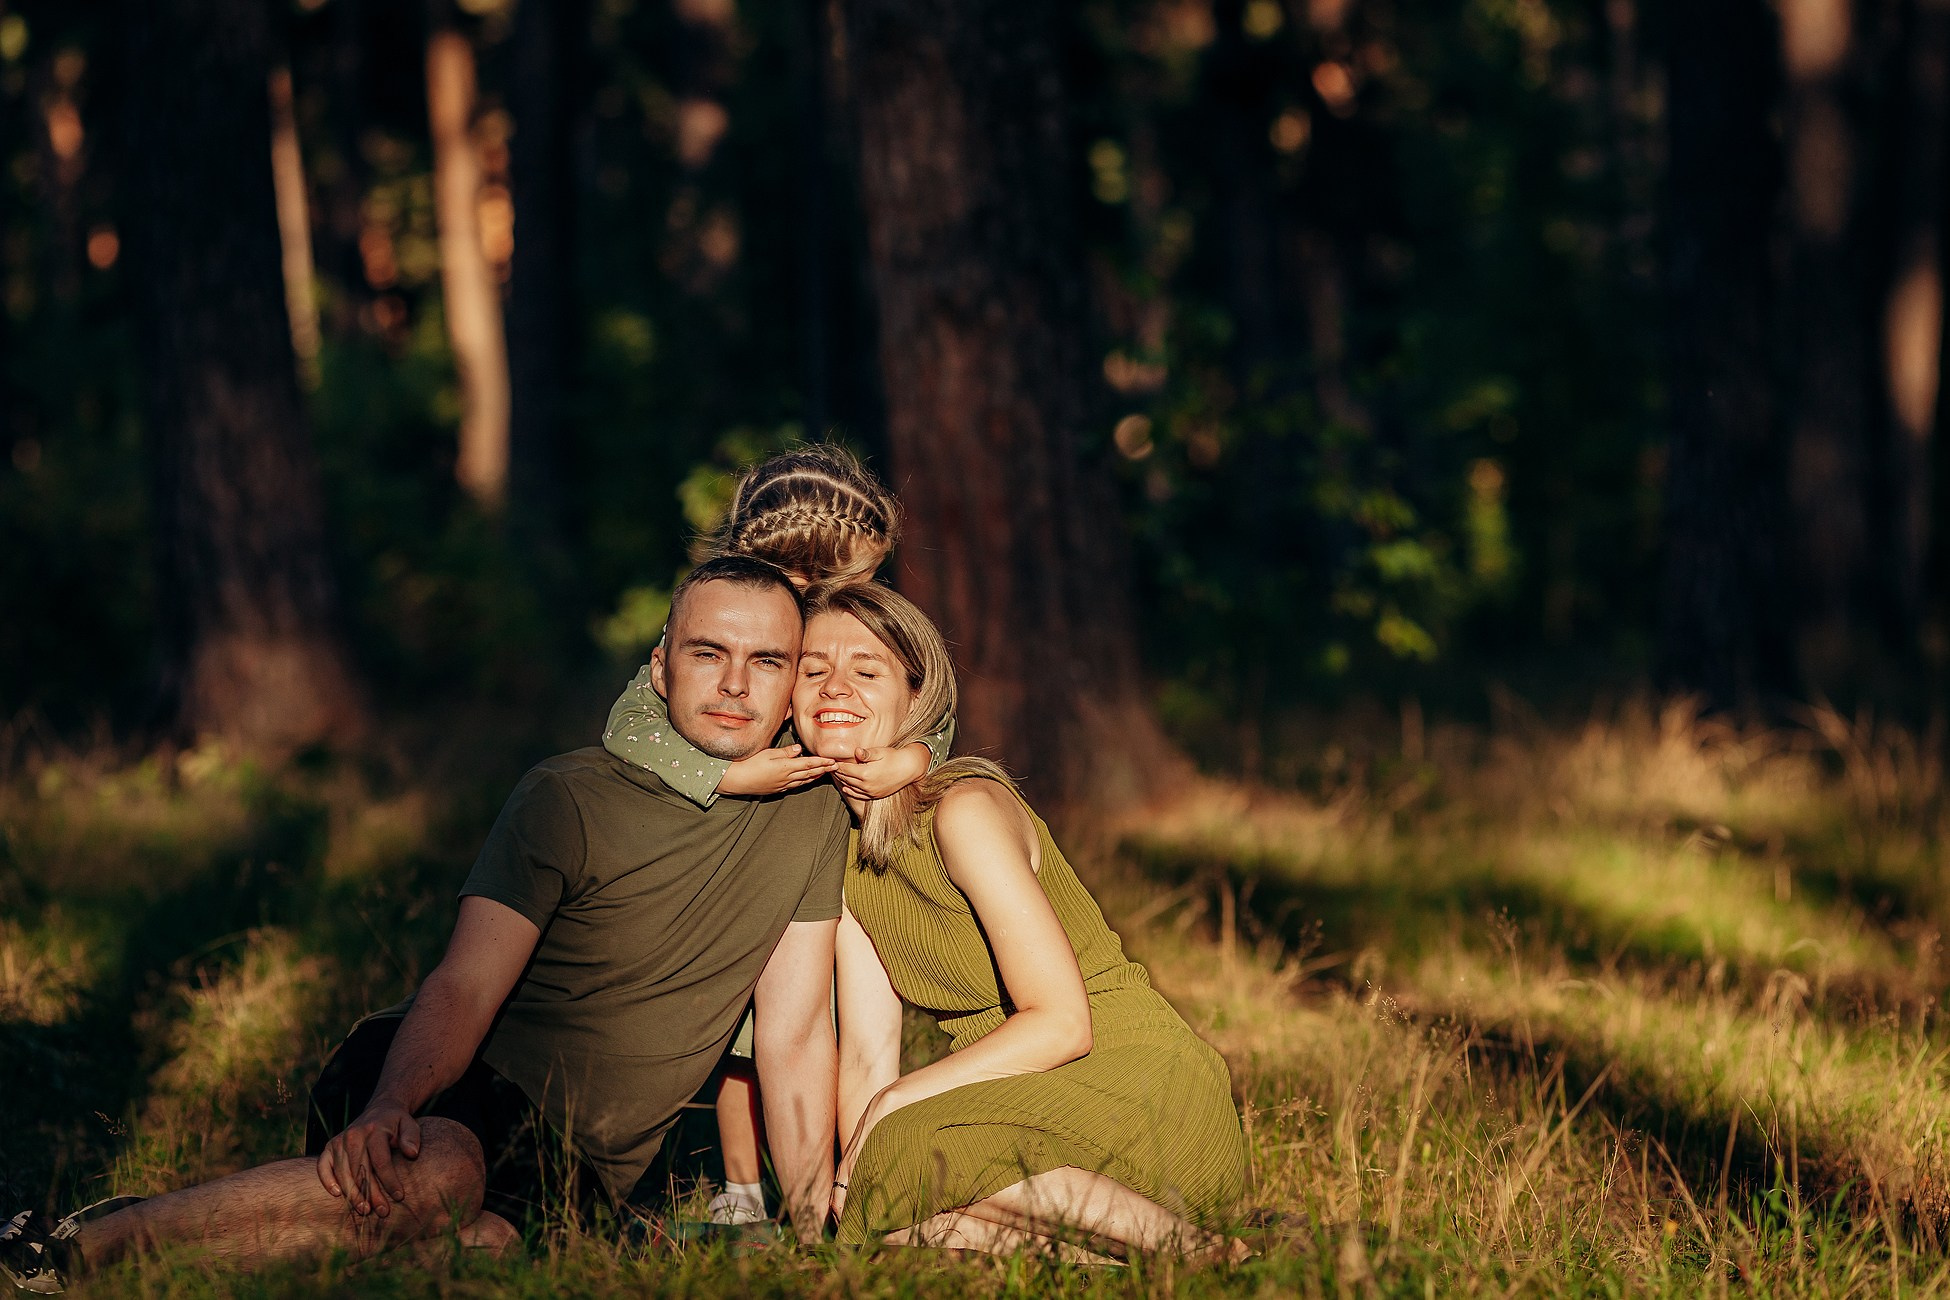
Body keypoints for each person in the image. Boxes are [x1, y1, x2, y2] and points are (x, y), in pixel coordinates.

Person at [1, 557, 848, 1292]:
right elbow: (466, 983)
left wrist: (814, 1241)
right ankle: (87, 1244)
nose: (735, 684)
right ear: (660, 670)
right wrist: (389, 1105)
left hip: (580, 1166)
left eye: (765, 661)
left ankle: (163, 1268)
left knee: (475, 1259)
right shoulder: (567, 796)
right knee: (438, 1178)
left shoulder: (811, 818)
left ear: (793, 683)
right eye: (708, 653)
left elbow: (797, 1028)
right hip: (460, 1082)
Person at [798, 583, 1251, 1261]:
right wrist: (855, 1179)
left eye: (867, 672)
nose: (836, 687)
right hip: (1022, 1108)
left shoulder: (963, 811)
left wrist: (890, 1111)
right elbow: (867, 1050)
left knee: (904, 1147)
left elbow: (1063, 1024)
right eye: (813, 671)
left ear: (916, 701)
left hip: (1135, 1081)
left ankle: (1204, 1254)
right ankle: (1122, 1256)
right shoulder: (844, 856)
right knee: (885, 1222)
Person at [601, 444, 952, 1226]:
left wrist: (917, 754)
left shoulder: (837, 628)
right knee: (739, 1031)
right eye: (845, 579)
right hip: (729, 848)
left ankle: (839, 1179)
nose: (855, 595)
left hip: (823, 844)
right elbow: (629, 725)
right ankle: (740, 1190)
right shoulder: (727, 619)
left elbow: (930, 697)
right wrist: (727, 777)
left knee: (817, 1019)